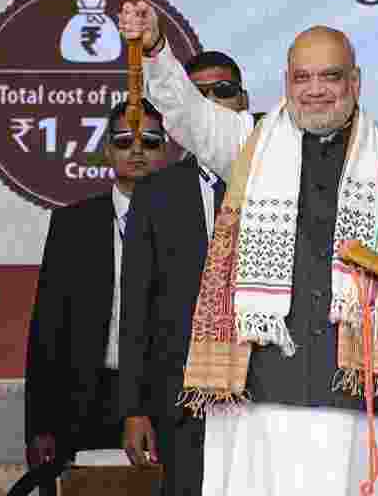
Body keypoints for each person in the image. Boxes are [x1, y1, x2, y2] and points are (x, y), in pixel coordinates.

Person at [120, 2, 378, 496]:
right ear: (286, 81)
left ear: (356, 82)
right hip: (258, 388)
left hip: (353, 389)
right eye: (303, 77)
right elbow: (187, 114)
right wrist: (154, 48)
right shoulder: (249, 142)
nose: (316, 89)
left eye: (330, 76)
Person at [25, 98, 172, 495]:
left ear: (169, 149)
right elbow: (48, 327)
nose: (137, 150)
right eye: (124, 141)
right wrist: (40, 425)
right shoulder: (74, 222)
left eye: (151, 141)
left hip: (164, 400)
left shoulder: (189, 223)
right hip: (86, 397)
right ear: (107, 149)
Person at [119, 51, 249, 496]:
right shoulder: (156, 192)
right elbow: (137, 304)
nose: (210, 102)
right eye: (198, 94)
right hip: (183, 397)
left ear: (244, 102)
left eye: (223, 92)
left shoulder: (280, 180)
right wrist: (134, 409)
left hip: (264, 393)